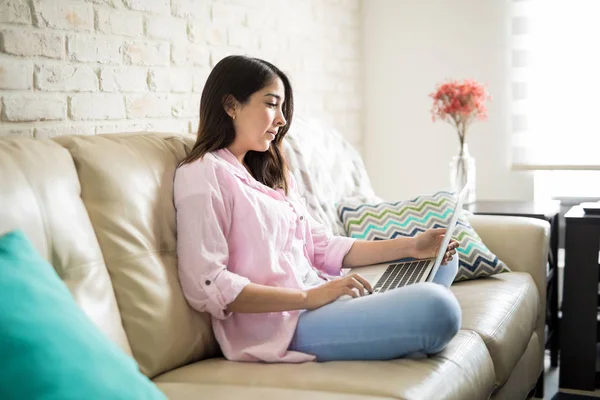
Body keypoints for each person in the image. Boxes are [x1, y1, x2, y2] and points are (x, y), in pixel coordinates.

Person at [174, 55, 461, 363]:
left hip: (320, 297)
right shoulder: (203, 173)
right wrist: (308, 298)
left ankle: (393, 326)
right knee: (438, 308)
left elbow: (321, 247)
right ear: (230, 105)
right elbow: (207, 283)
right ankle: (399, 327)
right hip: (282, 322)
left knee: (443, 260)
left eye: (283, 108)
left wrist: (412, 246)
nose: (282, 119)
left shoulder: (269, 171)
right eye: (272, 104)